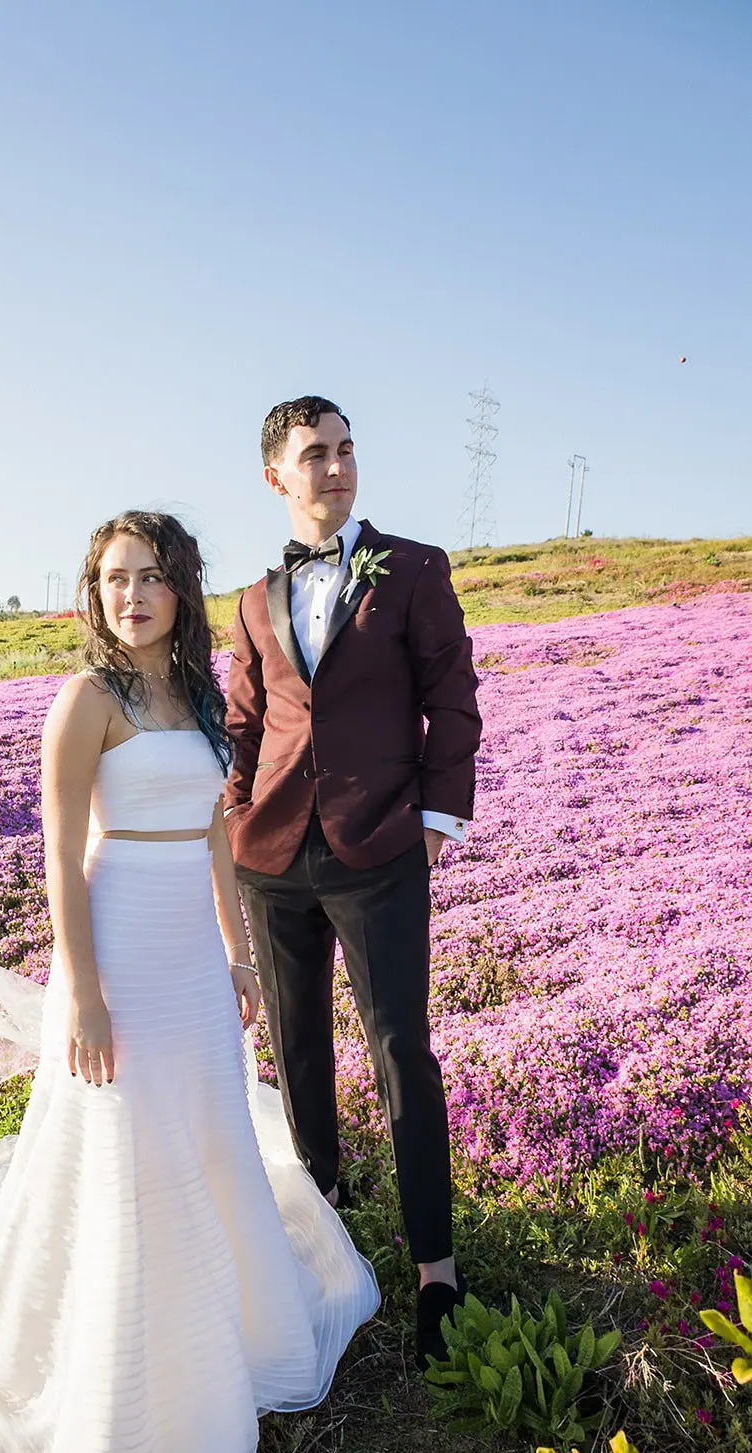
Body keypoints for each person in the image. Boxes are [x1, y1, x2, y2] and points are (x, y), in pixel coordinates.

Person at [0, 510, 380, 1453]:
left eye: (151, 579)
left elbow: (217, 837)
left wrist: (236, 955)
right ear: (95, 591)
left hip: (189, 961)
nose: (132, 595)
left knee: (208, 1136)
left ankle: (230, 1343)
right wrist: (78, 988)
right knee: (128, 1154)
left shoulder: (199, 699)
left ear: (180, 590)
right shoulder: (85, 702)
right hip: (120, 951)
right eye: (115, 579)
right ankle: (139, 1392)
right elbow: (62, 861)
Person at [223, 397, 483, 1370]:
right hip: (270, 858)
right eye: (312, 455)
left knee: (398, 1047)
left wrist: (434, 823)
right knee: (296, 1051)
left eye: (343, 450)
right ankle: (322, 1226)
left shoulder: (412, 569)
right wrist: (226, 820)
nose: (334, 468)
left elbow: (450, 698)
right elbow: (243, 728)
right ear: (275, 477)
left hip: (381, 850)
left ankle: (435, 1269)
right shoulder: (252, 599)